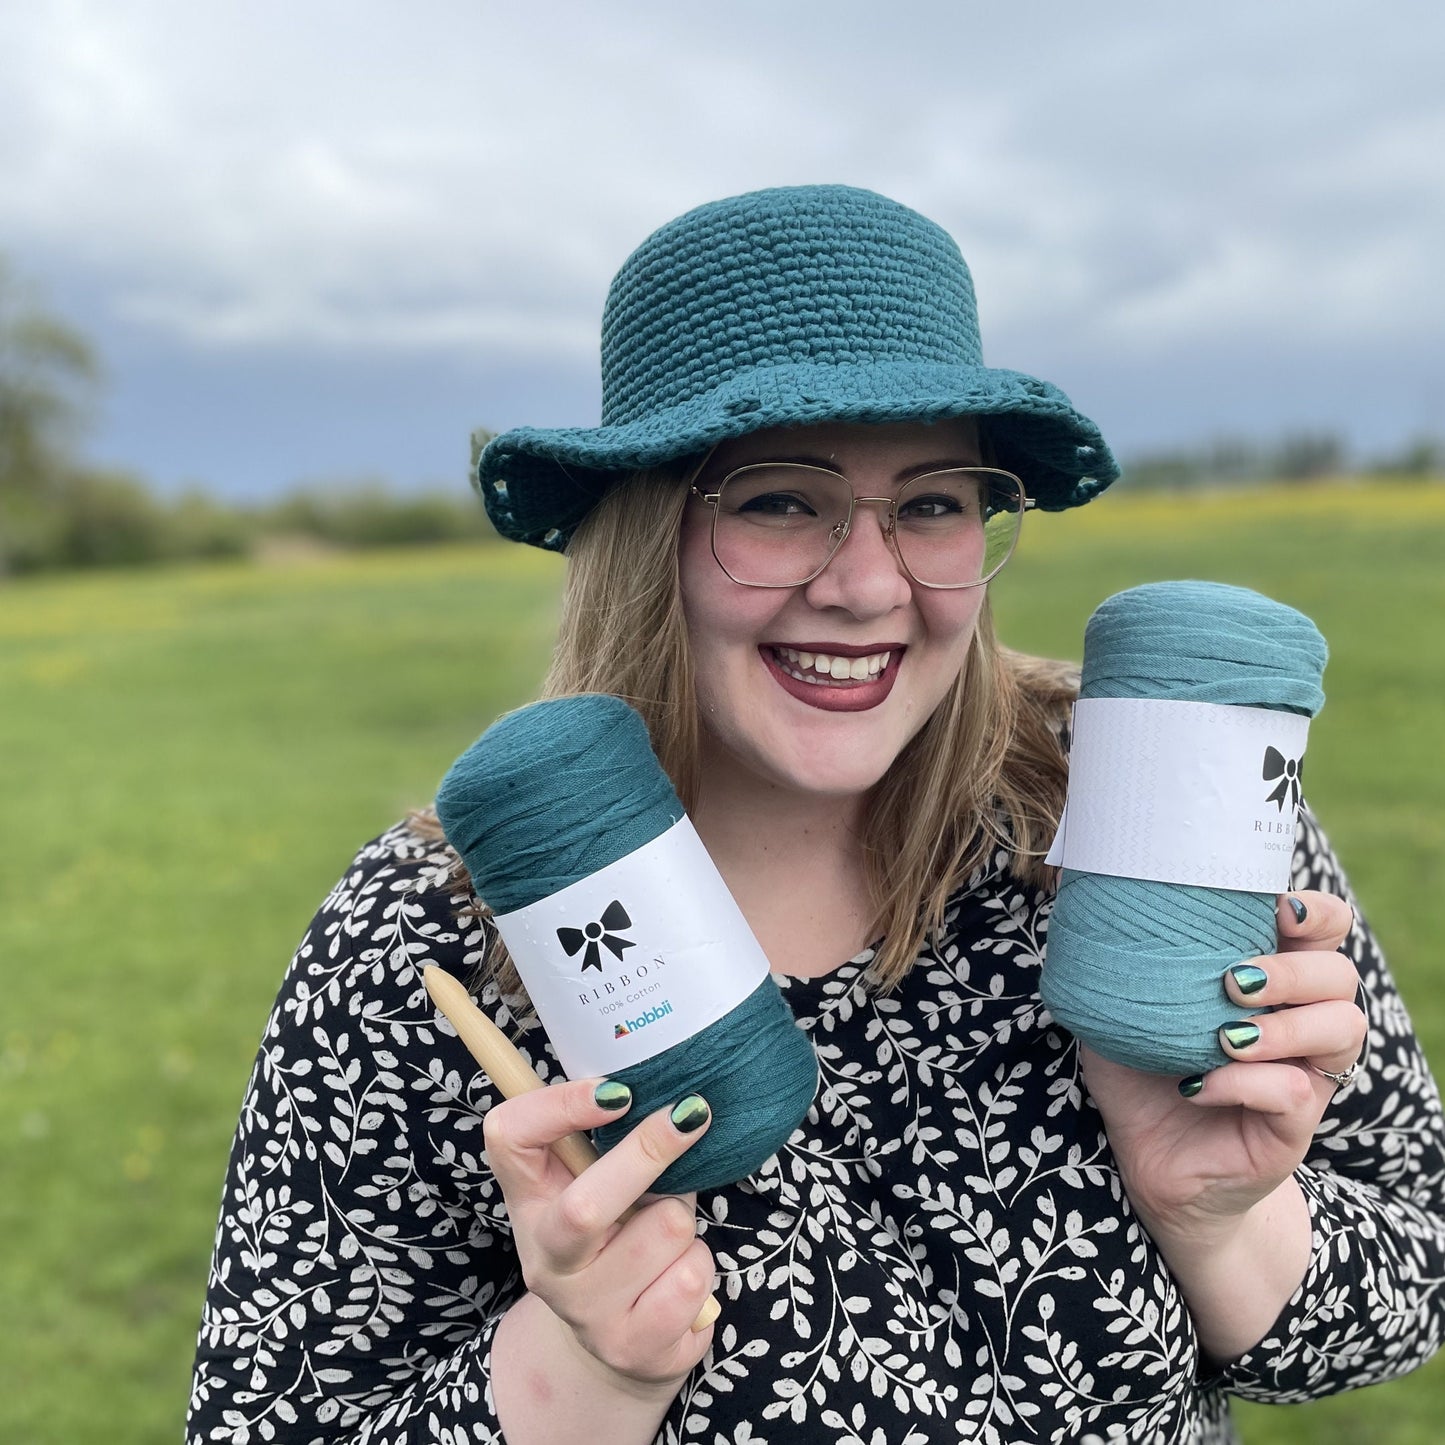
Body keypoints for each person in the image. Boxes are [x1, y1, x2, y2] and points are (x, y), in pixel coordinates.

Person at [187, 185, 1445, 1445]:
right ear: (643, 537)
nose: (864, 585)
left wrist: (1219, 1219)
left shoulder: (1142, 799)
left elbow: (1411, 1271)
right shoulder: (442, 930)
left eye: (934, 501)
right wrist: (579, 1380)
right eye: (778, 499)